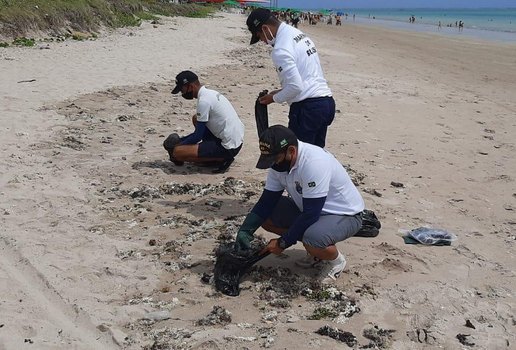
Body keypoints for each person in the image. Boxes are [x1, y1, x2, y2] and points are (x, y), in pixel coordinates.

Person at [234, 125, 365, 284]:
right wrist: (245, 230)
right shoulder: (278, 164)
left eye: (275, 159)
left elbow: (311, 214)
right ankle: (315, 251)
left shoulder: (314, 162)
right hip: (310, 209)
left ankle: (336, 261)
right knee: (266, 216)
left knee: (312, 237)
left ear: (291, 151)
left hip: (345, 214)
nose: (273, 164)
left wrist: (283, 242)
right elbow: (266, 201)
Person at [246, 8, 335, 148]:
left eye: (259, 36)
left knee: (298, 157)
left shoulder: (280, 49)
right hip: (326, 102)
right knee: (316, 155)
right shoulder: (297, 34)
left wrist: (273, 98)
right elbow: (304, 77)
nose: (263, 41)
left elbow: (296, 87)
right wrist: (280, 91)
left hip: (308, 109)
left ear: (265, 28)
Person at [164, 70, 244, 173]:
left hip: (228, 147)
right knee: (196, 118)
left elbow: (197, 136)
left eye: (182, 90)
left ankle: (220, 159)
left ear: (191, 86)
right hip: (235, 140)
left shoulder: (204, 101)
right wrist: (182, 140)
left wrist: (178, 144)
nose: (182, 93)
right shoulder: (210, 93)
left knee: (178, 152)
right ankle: (210, 154)